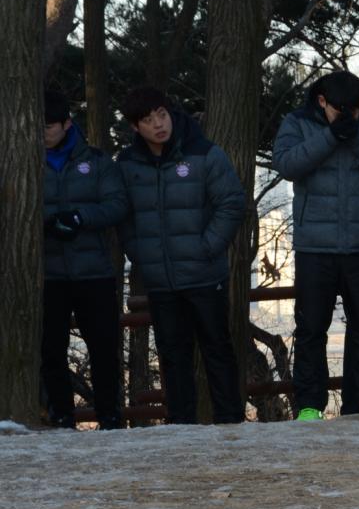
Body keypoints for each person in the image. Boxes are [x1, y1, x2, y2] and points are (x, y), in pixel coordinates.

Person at [272, 69, 359, 419]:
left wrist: (357, 136)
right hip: (316, 246)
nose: (349, 116)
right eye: (340, 110)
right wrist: (330, 136)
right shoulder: (298, 122)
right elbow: (286, 164)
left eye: (356, 109)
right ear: (322, 101)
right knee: (312, 329)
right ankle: (310, 405)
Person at [115, 87, 247, 424]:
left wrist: (207, 247)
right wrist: (140, 252)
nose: (158, 124)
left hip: (205, 274)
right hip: (160, 278)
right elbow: (123, 214)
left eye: (162, 114)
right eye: (147, 120)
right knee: (173, 356)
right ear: (135, 127)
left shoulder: (204, 153)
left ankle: (231, 421)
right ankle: (181, 426)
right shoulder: (128, 164)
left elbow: (231, 203)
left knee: (217, 350)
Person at [40, 88, 129, 429]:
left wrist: (80, 218)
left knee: (104, 349)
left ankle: (110, 416)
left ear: (66, 124)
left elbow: (117, 204)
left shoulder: (96, 161)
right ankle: (61, 417)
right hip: (49, 274)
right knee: (51, 351)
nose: (42, 133)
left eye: (48, 126)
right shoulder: (22, 159)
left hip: (94, 272)